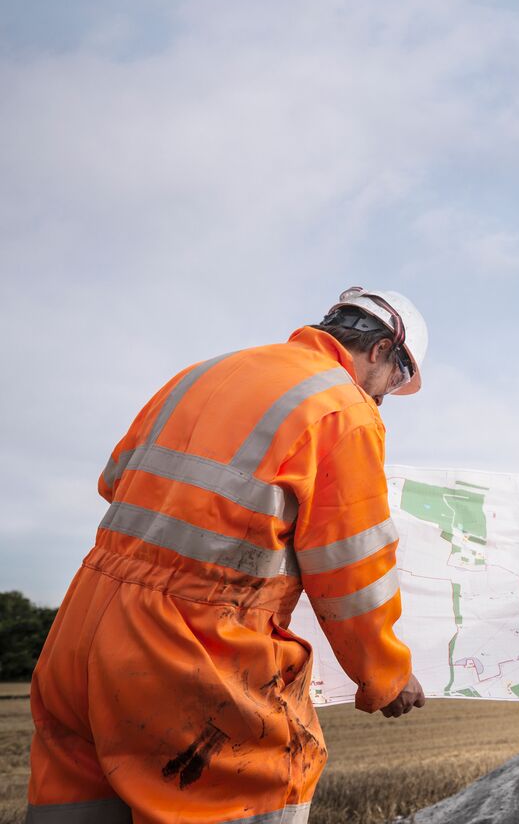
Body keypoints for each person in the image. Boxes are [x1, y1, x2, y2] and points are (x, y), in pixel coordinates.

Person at [27, 287, 430, 824]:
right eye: (397, 380)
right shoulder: (343, 408)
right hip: (187, 648)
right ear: (381, 350)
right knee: (257, 787)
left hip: (82, 630)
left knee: (74, 804)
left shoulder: (203, 372)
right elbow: (352, 569)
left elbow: (114, 480)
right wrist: (386, 673)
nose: (384, 398)